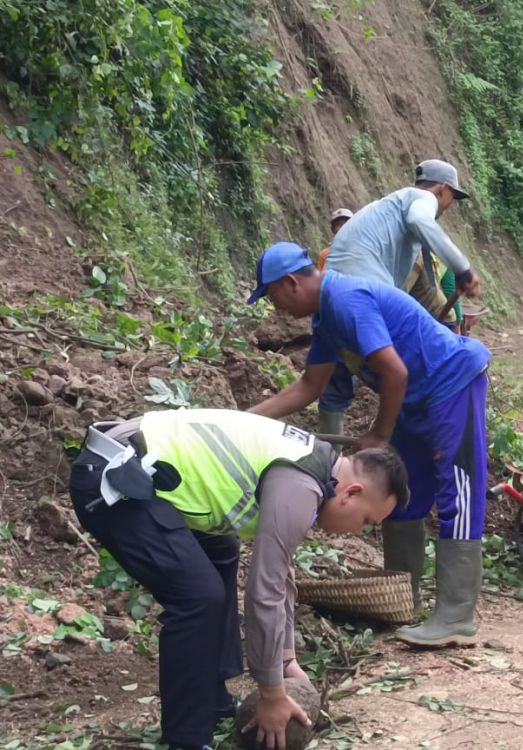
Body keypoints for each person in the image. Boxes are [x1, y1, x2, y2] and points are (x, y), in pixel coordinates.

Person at [69, 408, 407, 750]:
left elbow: (281, 572)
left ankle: (212, 699)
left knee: (222, 553)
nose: (360, 530)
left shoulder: (314, 466)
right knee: (199, 598)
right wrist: (272, 693)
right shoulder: (301, 485)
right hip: (115, 479)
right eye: (367, 520)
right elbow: (266, 591)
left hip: (145, 477)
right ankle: (187, 738)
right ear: (351, 492)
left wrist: (285, 659)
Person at [246, 242, 491, 648]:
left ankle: (456, 615)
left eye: (273, 298)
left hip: (451, 383)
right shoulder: (327, 319)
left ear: (291, 283)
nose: (277, 311)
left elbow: (393, 372)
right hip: (416, 398)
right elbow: (309, 387)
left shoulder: (346, 300)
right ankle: (403, 598)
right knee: (403, 490)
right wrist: (244, 420)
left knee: (458, 489)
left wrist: (379, 434)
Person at [324, 158, 483, 321]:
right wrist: (463, 270)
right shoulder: (424, 198)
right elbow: (418, 219)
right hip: (361, 285)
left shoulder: (395, 203)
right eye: (453, 196)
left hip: (329, 287)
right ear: (442, 189)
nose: (451, 204)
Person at [316, 207, 355, 435]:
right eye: (337, 224)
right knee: (334, 385)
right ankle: (333, 446)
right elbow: (321, 286)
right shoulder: (325, 255)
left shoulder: (363, 252)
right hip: (335, 323)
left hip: (357, 322)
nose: (341, 228)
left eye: (345, 223)